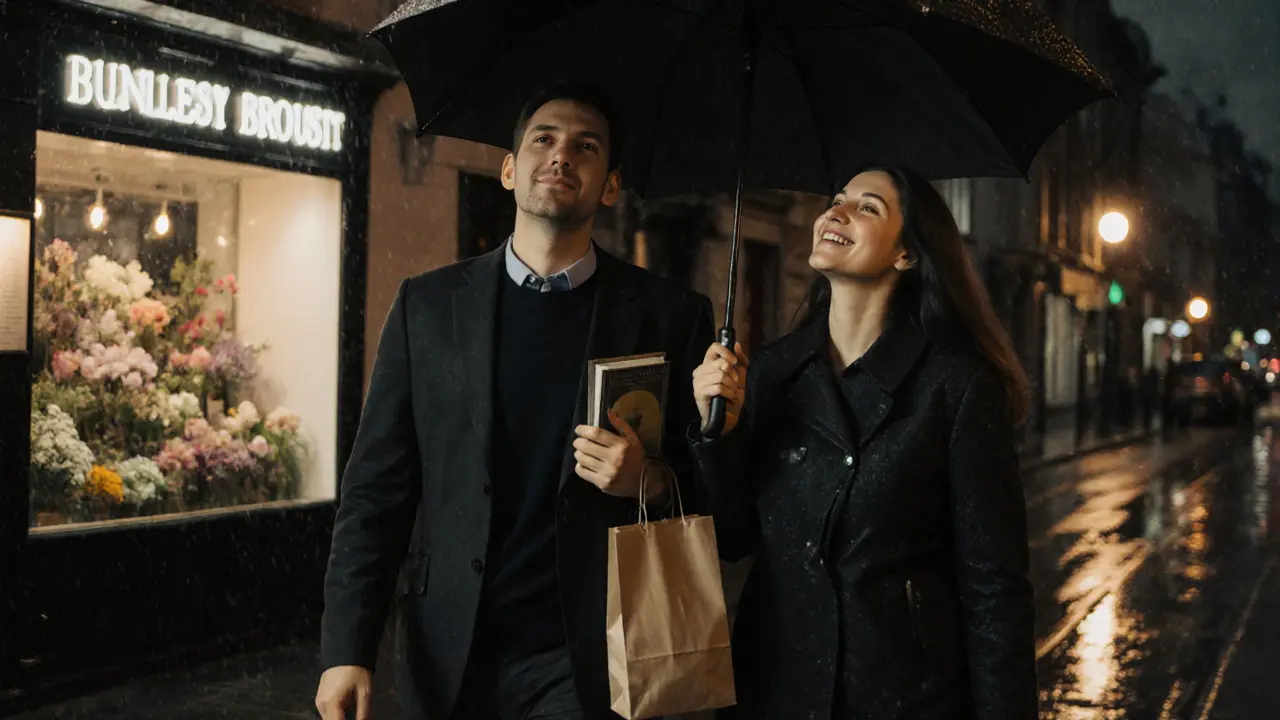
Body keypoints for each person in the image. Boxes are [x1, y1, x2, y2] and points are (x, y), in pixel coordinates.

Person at [315, 82, 714, 720]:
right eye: (544, 139)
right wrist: (345, 648)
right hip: (449, 645)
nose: (561, 156)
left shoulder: (670, 316)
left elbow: (713, 495)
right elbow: (376, 491)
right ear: (509, 168)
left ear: (609, 186)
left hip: (588, 652)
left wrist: (650, 480)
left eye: (585, 147)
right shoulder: (429, 305)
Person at [690, 167, 1037, 719]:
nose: (837, 212)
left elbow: (994, 588)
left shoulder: (955, 387)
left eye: (868, 207)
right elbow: (731, 539)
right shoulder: (774, 371)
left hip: (905, 693)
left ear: (907, 254)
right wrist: (720, 433)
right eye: (837, 199)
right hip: (777, 687)